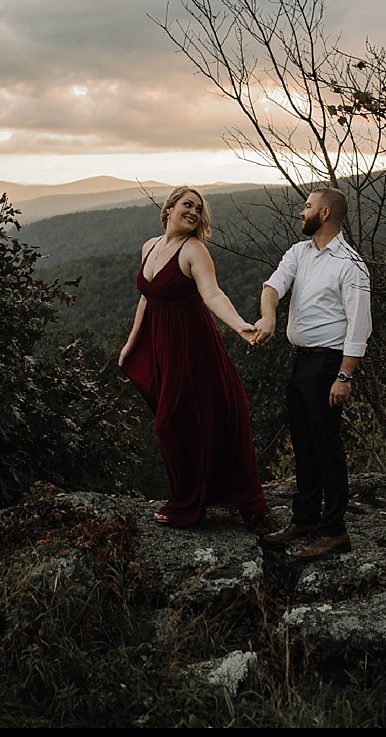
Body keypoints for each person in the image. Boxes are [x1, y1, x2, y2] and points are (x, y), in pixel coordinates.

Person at [119, 186, 270, 529]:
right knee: (173, 419)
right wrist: (131, 345)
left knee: (178, 419)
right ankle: (188, 495)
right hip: (160, 343)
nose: (194, 212)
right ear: (169, 208)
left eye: (199, 209)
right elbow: (147, 298)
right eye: (187, 205)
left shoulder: (194, 250)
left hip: (191, 345)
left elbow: (213, 293)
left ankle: (192, 502)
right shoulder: (150, 246)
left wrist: (239, 326)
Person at [252, 186, 372, 560]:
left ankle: (334, 530)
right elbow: (273, 285)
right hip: (298, 360)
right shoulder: (299, 253)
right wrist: (269, 316)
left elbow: (359, 325)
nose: (300, 213)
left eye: (307, 207)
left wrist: (344, 376)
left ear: (324, 214)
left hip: (327, 365)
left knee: (326, 446)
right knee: (303, 443)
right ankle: (304, 518)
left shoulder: (350, 265)